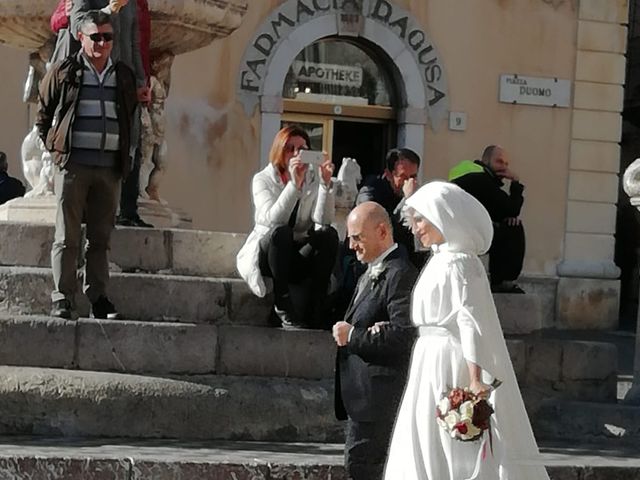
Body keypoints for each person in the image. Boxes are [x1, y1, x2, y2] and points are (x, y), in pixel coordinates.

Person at [383, 182, 549, 480]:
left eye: (420, 219)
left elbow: (470, 321)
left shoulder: (458, 263)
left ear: (443, 216)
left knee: (446, 445)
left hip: (448, 360)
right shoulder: (440, 259)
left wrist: (474, 378)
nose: (415, 228)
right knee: (423, 435)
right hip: (428, 358)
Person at [36, 10, 138, 320]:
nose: (103, 43)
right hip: (74, 166)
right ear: (81, 37)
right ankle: (63, 297)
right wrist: (55, 150)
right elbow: (43, 113)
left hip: (109, 168)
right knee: (66, 237)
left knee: (100, 238)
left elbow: (131, 117)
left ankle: (98, 297)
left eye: (108, 37)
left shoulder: (122, 74)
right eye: (96, 37)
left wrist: (127, 156)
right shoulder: (64, 70)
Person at [332, 201, 417, 480]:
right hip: (363, 396)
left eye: (357, 237)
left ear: (382, 231)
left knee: (363, 467)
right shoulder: (371, 270)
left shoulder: (398, 273)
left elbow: (403, 334)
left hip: (379, 398)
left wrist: (354, 335)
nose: (351, 245)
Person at [236, 125, 338, 328]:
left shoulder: (313, 179)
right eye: (290, 148)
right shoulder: (262, 179)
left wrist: (325, 185)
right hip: (271, 255)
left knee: (328, 234)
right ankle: (281, 303)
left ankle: (316, 305)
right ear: (279, 151)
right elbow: (272, 220)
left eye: (302, 149)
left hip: (298, 253)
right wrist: (294, 185)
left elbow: (323, 219)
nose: (296, 154)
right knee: (280, 232)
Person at [71, 0, 153, 228]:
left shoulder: (130, 3)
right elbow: (76, 24)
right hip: (94, 78)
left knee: (132, 142)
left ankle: (129, 210)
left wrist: (140, 81)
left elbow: (134, 43)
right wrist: (108, 11)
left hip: (125, 79)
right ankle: (91, 210)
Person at [449, 145, 526, 293]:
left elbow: (497, 208)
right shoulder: (480, 179)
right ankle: (503, 282)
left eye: (506, 164)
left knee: (506, 225)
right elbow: (511, 208)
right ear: (486, 161)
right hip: (467, 235)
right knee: (513, 230)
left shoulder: (466, 174)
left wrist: (507, 217)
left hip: (460, 231)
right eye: (499, 162)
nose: (504, 168)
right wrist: (516, 182)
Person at [356, 148, 421, 262]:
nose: (409, 183)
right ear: (389, 174)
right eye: (403, 177)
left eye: (413, 177)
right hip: (370, 256)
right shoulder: (370, 192)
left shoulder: (415, 193)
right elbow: (382, 230)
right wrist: (407, 200)